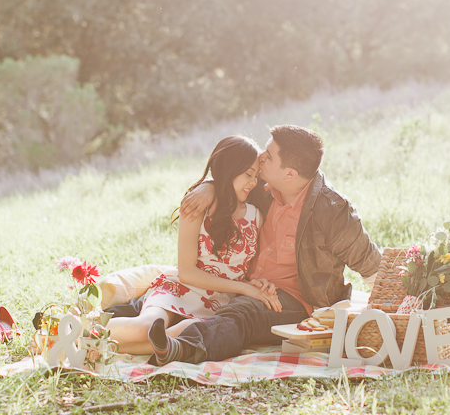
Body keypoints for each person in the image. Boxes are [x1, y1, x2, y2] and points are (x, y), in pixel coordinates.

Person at [147, 124, 381, 365]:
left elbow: (372, 266)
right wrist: (211, 187)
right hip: (249, 284)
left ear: (289, 174)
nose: (260, 158)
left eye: (268, 156)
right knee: (225, 305)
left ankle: (182, 349)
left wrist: (400, 318)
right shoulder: (264, 189)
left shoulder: (333, 210)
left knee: (243, 313)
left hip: (294, 299)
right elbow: (232, 178)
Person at [106, 135, 280, 355]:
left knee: (180, 334)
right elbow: (187, 272)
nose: (253, 182)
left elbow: (250, 268)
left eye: (256, 175)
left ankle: (108, 349)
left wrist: (256, 281)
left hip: (218, 304)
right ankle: (82, 328)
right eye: (248, 174)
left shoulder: (256, 217)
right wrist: (244, 288)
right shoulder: (197, 205)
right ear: (229, 169)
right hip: (181, 289)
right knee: (145, 327)